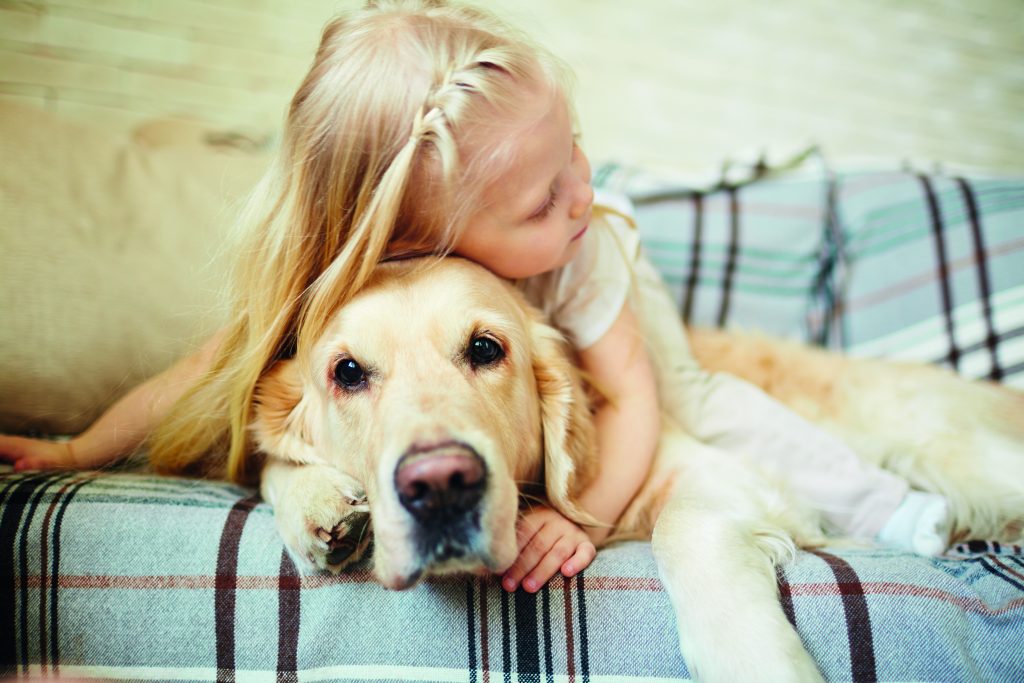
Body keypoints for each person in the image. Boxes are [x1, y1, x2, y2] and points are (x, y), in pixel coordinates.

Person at [0, 0, 949, 593]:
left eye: (574, 145)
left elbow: (632, 399)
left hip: (619, 309)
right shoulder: (356, 285)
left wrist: (576, 518)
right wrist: (78, 450)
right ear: (437, 236)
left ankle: (888, 508)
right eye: (540, 197)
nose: (578, 188)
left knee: (702, 401)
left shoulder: (585, 238)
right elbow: (204, 377)